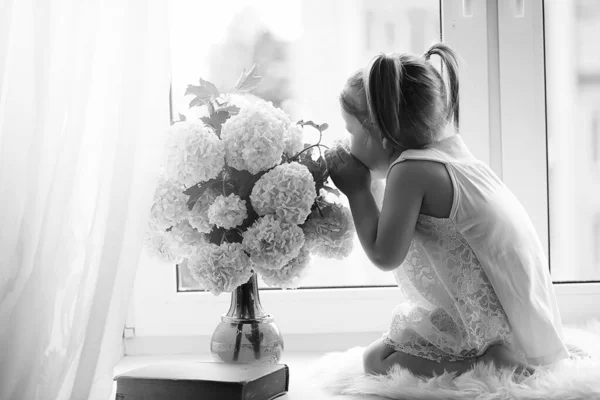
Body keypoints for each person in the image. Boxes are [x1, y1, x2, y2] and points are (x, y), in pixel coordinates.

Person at [324, 43, 572, 379]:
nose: (347, 140)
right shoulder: (453, 155)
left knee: (375, 360)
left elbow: (385, 255)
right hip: (528, 322)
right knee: (403, 340)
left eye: (351, 131)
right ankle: (495, 355)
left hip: (495, 328)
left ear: (382, 134)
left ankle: (485, 365)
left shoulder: (409, 171)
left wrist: (356, 190)